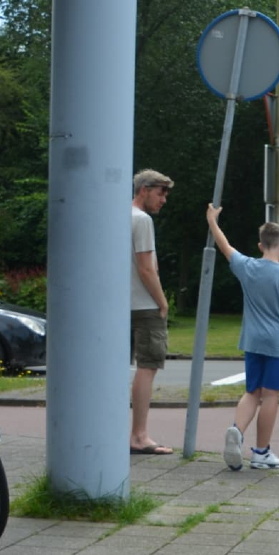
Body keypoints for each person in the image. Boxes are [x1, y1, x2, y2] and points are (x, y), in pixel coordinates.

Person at [206, 205, 279, 471]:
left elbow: (225, 246)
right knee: (271, 395)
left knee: (252, 391)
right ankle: (261, 452)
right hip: (278, 342)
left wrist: (212, 222)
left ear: (261, 245)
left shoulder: (247, 266)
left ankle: (237, 431)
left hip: (252, 340)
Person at [128, 169, 175, 455]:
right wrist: (163, 302)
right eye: (160, 193)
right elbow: (146, 268)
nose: (164, 200)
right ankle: (139, 435)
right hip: (144, 305)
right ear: (144, 190)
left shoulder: (116, 214)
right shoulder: (142, 220)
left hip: (118, 304)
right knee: (148, 366)